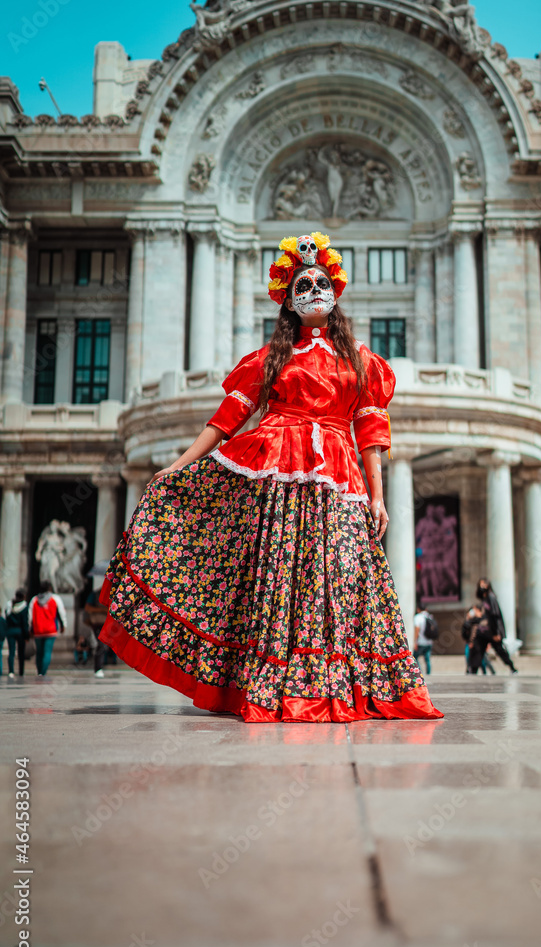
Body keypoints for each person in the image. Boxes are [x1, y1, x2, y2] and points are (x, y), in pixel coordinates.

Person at [98, 231, 442, 723]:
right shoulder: (271, 357)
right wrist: (178, 466)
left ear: (335, 290)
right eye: (302, 284)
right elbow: (226, 419)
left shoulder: (361, 360)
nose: (312, 289)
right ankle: (277, 680)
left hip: (339, 473)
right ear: (288, 298)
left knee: (340, 575)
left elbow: (370, 431)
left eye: (320, 281)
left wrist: (378, 496)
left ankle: (338, 680)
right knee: (280, 576)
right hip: (277, 472)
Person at [475, 579, 517, 673]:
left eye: (483, 585)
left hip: (492, 631)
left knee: (500, 650)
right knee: (478, 650)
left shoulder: (491, 597)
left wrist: (497, 633)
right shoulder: (484, 599)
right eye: (480, 585)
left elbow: (495, 615)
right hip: (484, 632)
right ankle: (472, 670)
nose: (481, 587)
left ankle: (512, 668)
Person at [28, 581, 67, 676]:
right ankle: (43, 672)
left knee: (39, 652)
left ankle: (39, 671)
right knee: (47, 652)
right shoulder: (55, 599)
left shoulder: (34, 600)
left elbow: (30, 616)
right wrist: (63, 626)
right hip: (51, 630)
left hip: (38, 630)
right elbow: (61, 613)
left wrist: (30, 628)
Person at [83, 587, 110, 678]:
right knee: (101, 645)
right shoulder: (95, 595)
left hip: (109, 624)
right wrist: (103, 610)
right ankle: (98, 668)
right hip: (98, 623)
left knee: (103, 645)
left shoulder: (114, 594)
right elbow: (87, 608)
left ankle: (99, 666)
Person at [4, 590, 30, 678]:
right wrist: (27, 635)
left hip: (10, 631)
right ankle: (21, 671)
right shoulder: (24, 607)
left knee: (11, 651)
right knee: (21, 652)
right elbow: (25, 622)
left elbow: (6, 618)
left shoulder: (10, 605)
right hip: (20, 632)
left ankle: (11, 671)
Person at [461, 604, 493, 675]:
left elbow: (484, 633)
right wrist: (468, 619)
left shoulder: (483, 620)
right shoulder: (472, 621)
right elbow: (465, 629)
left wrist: (488, 643)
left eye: (474, 609)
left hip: (479, 643)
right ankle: (471, 671)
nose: (473, 611)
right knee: (473, 659)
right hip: (472, 643)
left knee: (482, 659)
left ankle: (485, 672)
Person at [413, 600, 436, 675]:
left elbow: (417, 630)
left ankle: (420, 672)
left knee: (414, 657)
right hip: (429, 641)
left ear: (418, 609)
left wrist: (415, 642)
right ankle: (429, 673)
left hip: (421, 641)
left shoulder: (417, 617)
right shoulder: (429, 616)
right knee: (427, 659)